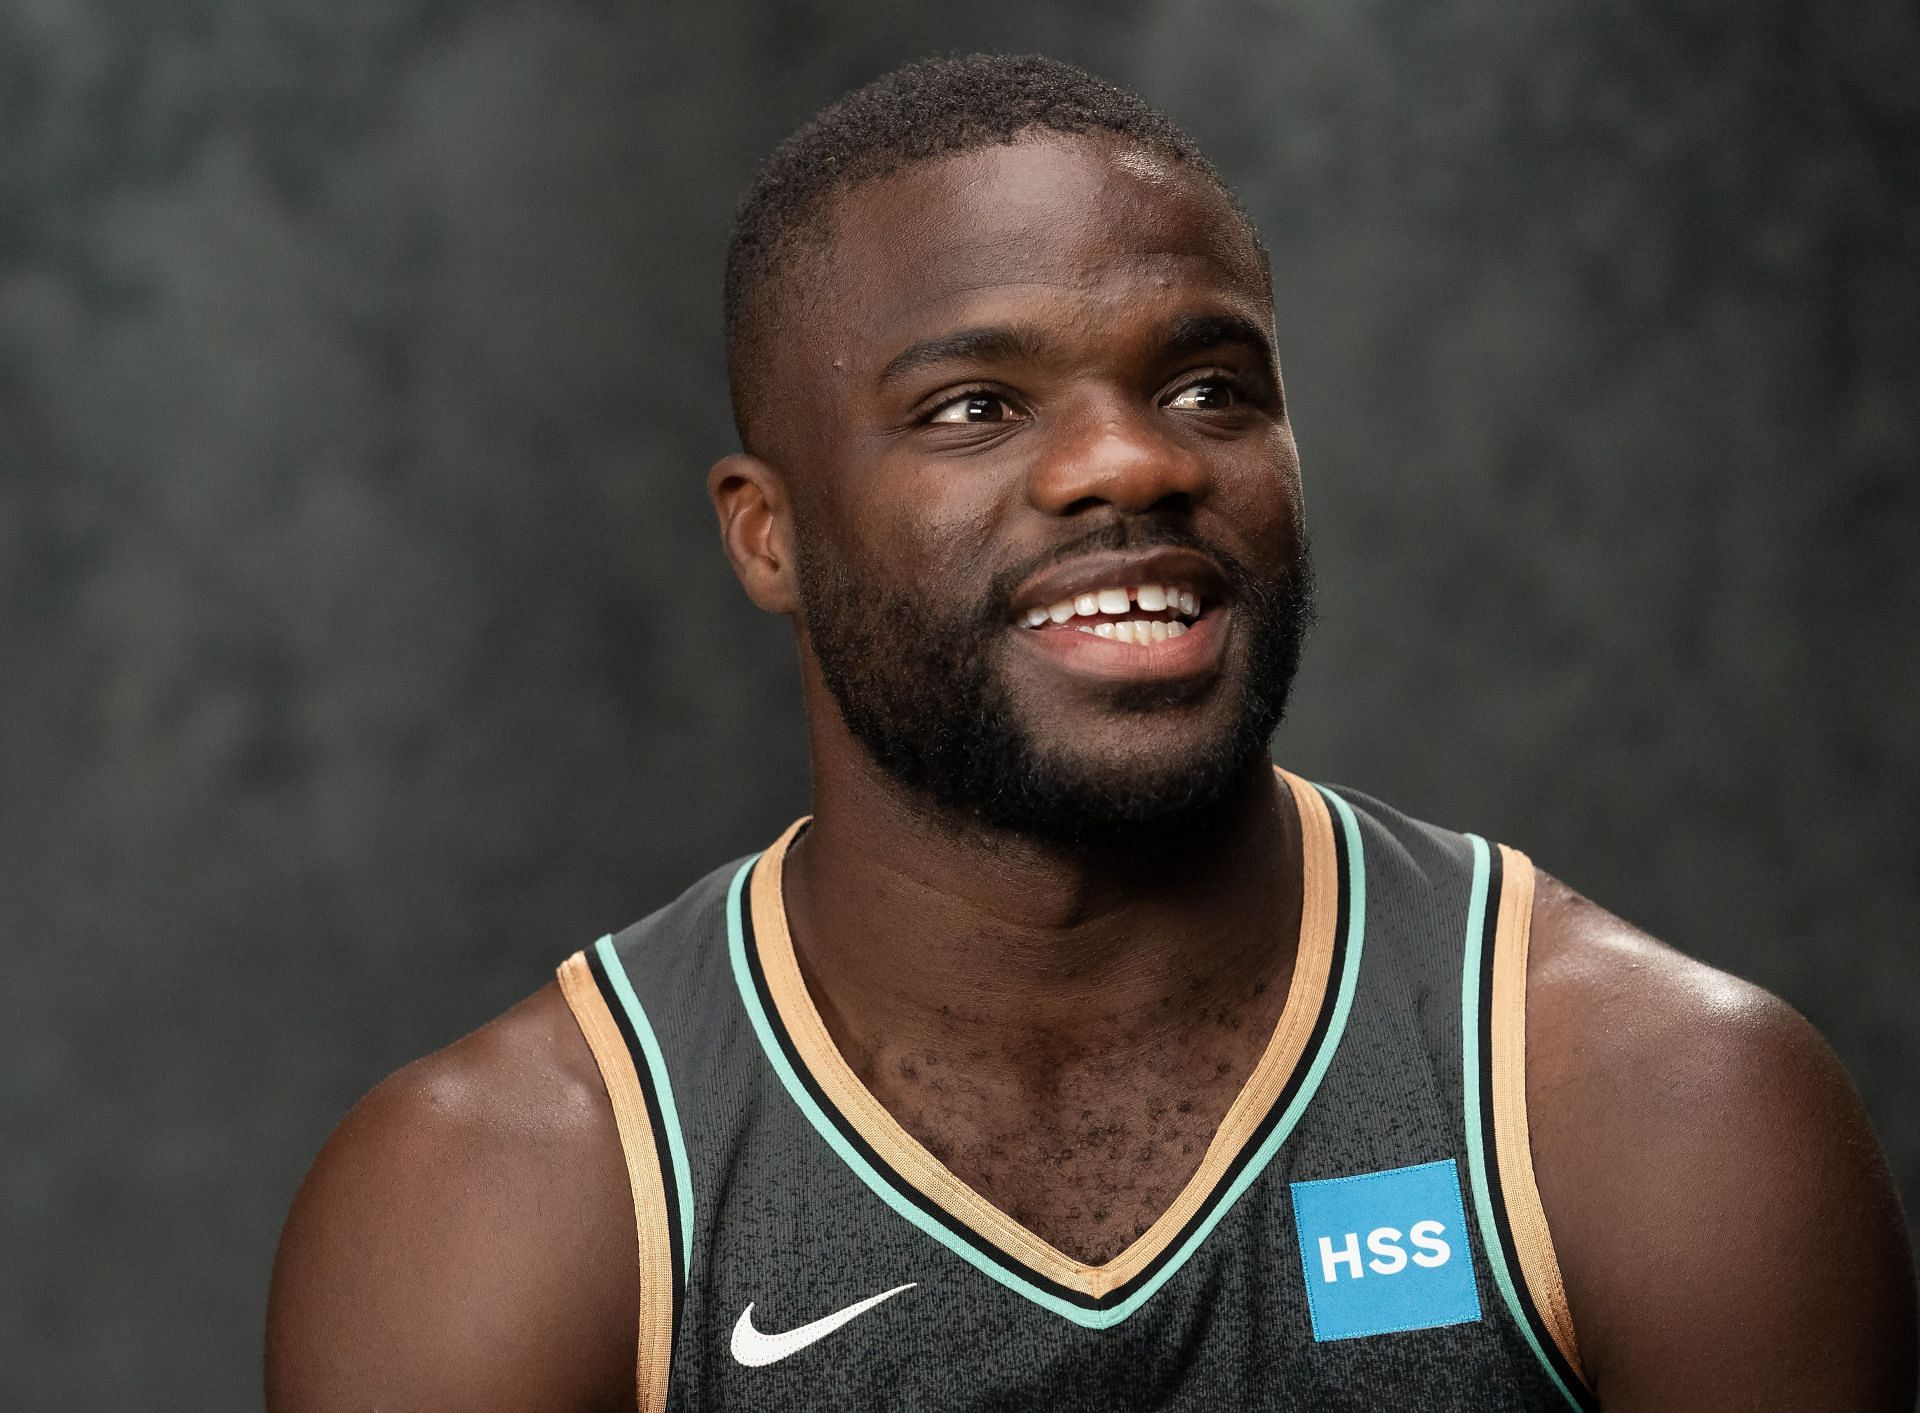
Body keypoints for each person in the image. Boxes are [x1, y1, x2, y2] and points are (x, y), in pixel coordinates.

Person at [264, 54, 1917, 1412]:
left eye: (1212, 387)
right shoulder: (505, 1205)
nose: (1133, 464)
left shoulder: (1653, 1109)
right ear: (767, 533)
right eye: (976, 406)